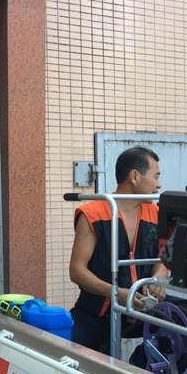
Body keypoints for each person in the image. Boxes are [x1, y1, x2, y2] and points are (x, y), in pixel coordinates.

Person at [69, 147, 168, 354]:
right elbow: (77, 271)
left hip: (142, 311)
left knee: (184, 326)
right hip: (96, 313)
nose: (159, 184)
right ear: (134, 176)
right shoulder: (93, 214)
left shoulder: (158, 213)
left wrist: (157, 281)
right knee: (70, 357)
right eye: (156, 176)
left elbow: (163, 258)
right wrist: (115, 293)